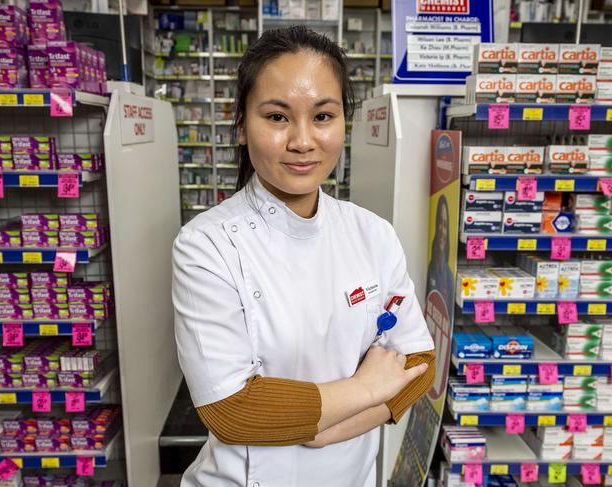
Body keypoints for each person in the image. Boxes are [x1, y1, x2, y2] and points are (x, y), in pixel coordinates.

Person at [172, 26, 436, 487]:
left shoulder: (372, 234)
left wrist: (326, 430)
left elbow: (417, 362)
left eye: (323, 116)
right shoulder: (207, 245)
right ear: (241, 126)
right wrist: (368, 388)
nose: (302, 141)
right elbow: (233, 411)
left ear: (342, 123)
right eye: (277, 117)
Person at [425, 195, 454, 304]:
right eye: (440, 223)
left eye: (445, 225)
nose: (442, 229)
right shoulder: (431, 265)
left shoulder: (449, 277)